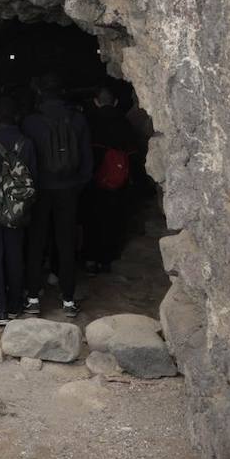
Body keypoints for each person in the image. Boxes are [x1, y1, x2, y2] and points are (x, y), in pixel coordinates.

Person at [21, 74, 93, 318]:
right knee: (66, 242)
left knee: (36, 241)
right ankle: (69, 299)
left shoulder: (31, 122)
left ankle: (32, 297)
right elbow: (87, 158)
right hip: (69, 188)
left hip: (40, 190)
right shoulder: (78, 120)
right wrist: (78, 185)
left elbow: (25, 159)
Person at [0, 97, 35, 325]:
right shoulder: (26, 143)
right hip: (17, 207)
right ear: (16, 117)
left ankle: (0, 306)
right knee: (14, 253)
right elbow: (34, 179)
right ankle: (15, 303)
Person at [82, 86, 134, 273]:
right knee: (114, 219)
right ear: (116, 102)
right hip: (118, 181)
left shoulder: (89, 121)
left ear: (96, 101)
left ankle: (90, 259)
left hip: (94, 178)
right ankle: (108, 259)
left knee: (92, 218)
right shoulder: (125, 122)